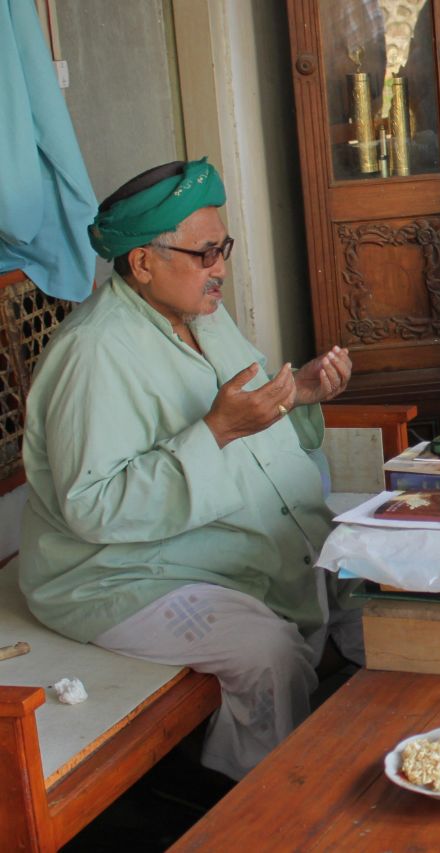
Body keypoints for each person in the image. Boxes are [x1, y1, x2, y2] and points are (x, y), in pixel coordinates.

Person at [19, 158, 360, 781]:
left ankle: (367, 752)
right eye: (204, 254)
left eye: (222, 248)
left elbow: (251, 413)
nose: (220, 269)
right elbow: (93, 506)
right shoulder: (93, 355)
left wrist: (299, 392)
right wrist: (216, 431)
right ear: (143, 262)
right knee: (267, 654)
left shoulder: (204, 314)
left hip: (205, 542)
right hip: (116, 573)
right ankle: (264, 801)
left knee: (368, 577)